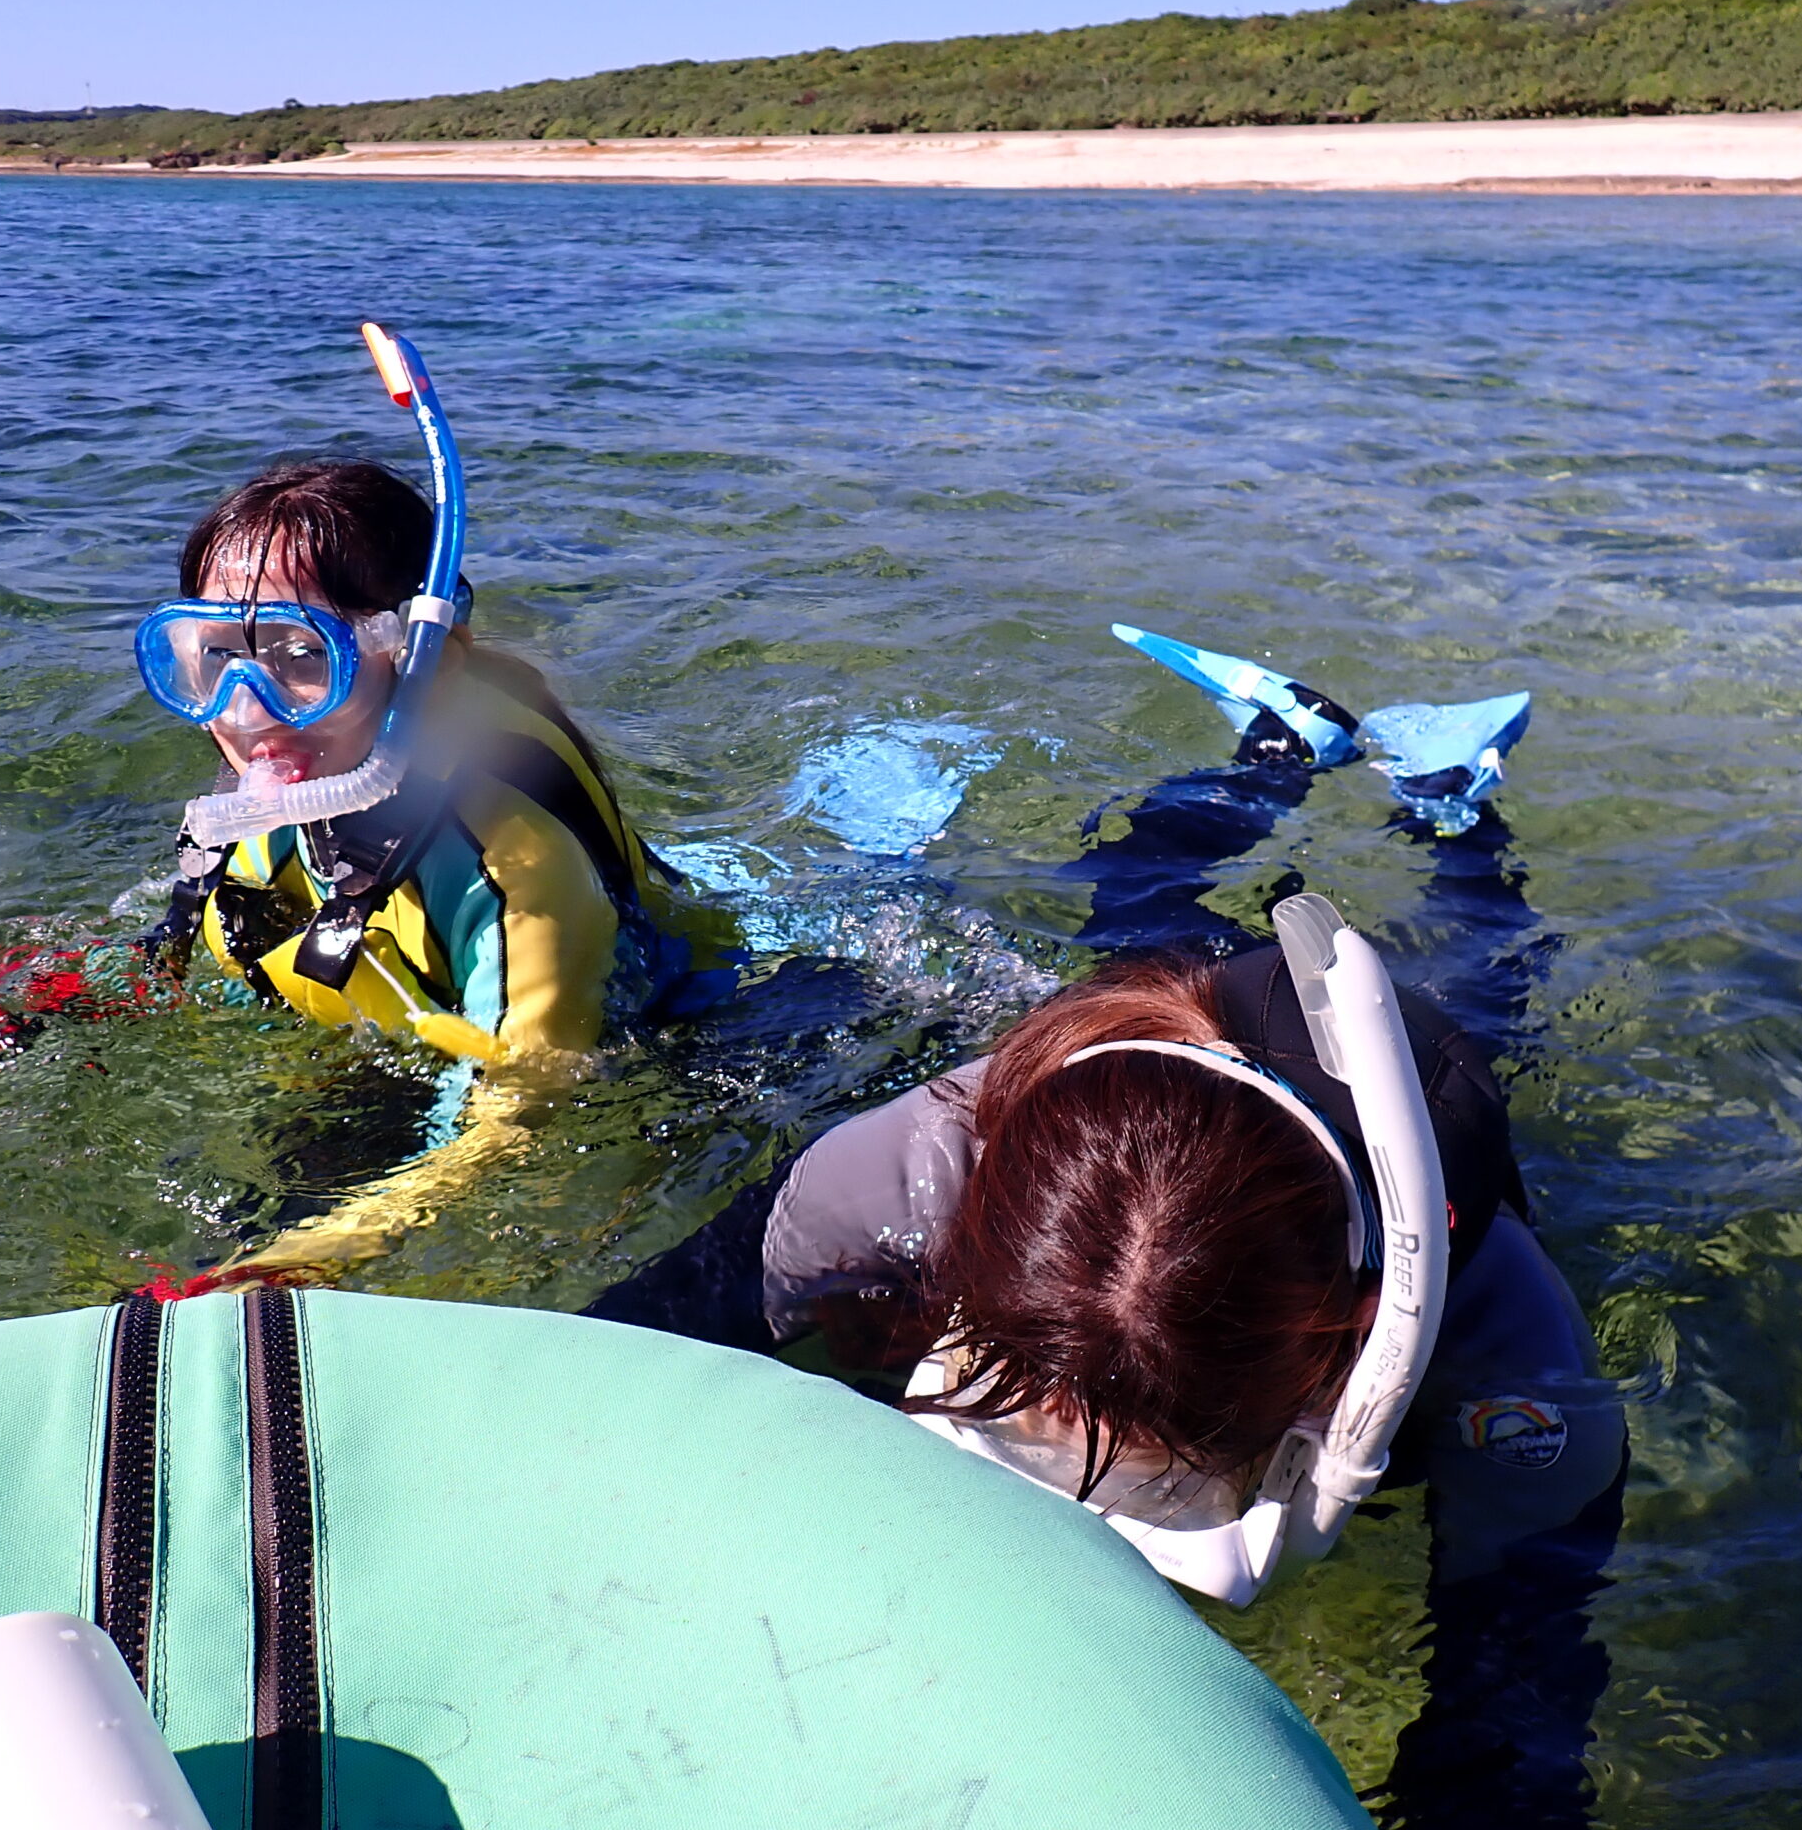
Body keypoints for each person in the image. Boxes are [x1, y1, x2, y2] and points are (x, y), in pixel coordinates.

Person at [586, 632, 1621, 1828]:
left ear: (1332, 1361)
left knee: (1498, 981)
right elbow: (610, 1365)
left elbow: (1512, 1730)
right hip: (1146, 1034)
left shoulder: (1507, 1349)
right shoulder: (900, 1173)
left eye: (1161, 1463)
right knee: (1126, 905)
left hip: (1403, 1088)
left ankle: (1450, 805)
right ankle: (1281, 740)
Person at [136, 327, 739, 1276]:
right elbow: (193, 925)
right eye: (215, 657)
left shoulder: (515, 867)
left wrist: (310, 1258)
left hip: (671, 1032)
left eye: (304, 656)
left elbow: (525, 1113)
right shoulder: (279, 762)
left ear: (424, 659)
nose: (244, 708)